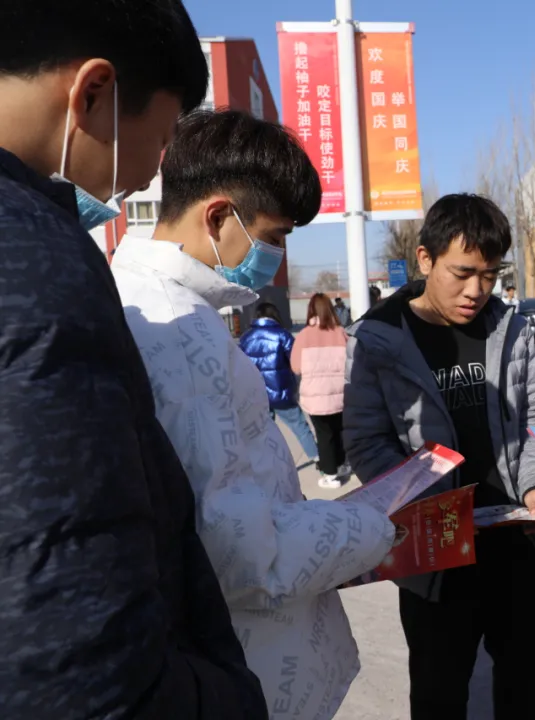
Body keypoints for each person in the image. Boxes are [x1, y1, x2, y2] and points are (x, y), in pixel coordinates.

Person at [0, 3, 268, 717]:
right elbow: (81, 660)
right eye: (165, 133)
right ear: (93, 92)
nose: (156, 167)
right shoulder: (37, 262)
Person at [110, 109, 395, 720]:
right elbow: (243, 556)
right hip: (249, 666)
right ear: (218, 217)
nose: (278, 256)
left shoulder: (160, 303)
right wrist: (373, 525)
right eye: (275, 236)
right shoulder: (179, 330)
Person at [344, 193, 535, 720]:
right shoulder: (379, 339)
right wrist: (421, 501)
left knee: (527, 680)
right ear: (425, 259)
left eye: (489, 275)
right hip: (434, 551)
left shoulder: (509, 329)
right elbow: (367, 441)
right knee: (439, 693)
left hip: (515, 540)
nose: (476, 291)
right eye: (462, 273)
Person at [239, 302, 320, 463]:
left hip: (257, 394)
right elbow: (297, 362)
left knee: (262, 432)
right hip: (282, 393)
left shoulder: (245, 338)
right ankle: (318, 459)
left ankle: (263, 463)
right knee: (300, 427)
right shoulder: (282, 335)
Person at [293, 293, 352, 488]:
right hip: (341, 394)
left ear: (311, 310)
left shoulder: (304, 336)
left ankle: (330, 475)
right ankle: (342, 465)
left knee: (324, 435)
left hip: (315, 397)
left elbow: (296, 367)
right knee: (340, 431)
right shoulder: (341, 333)